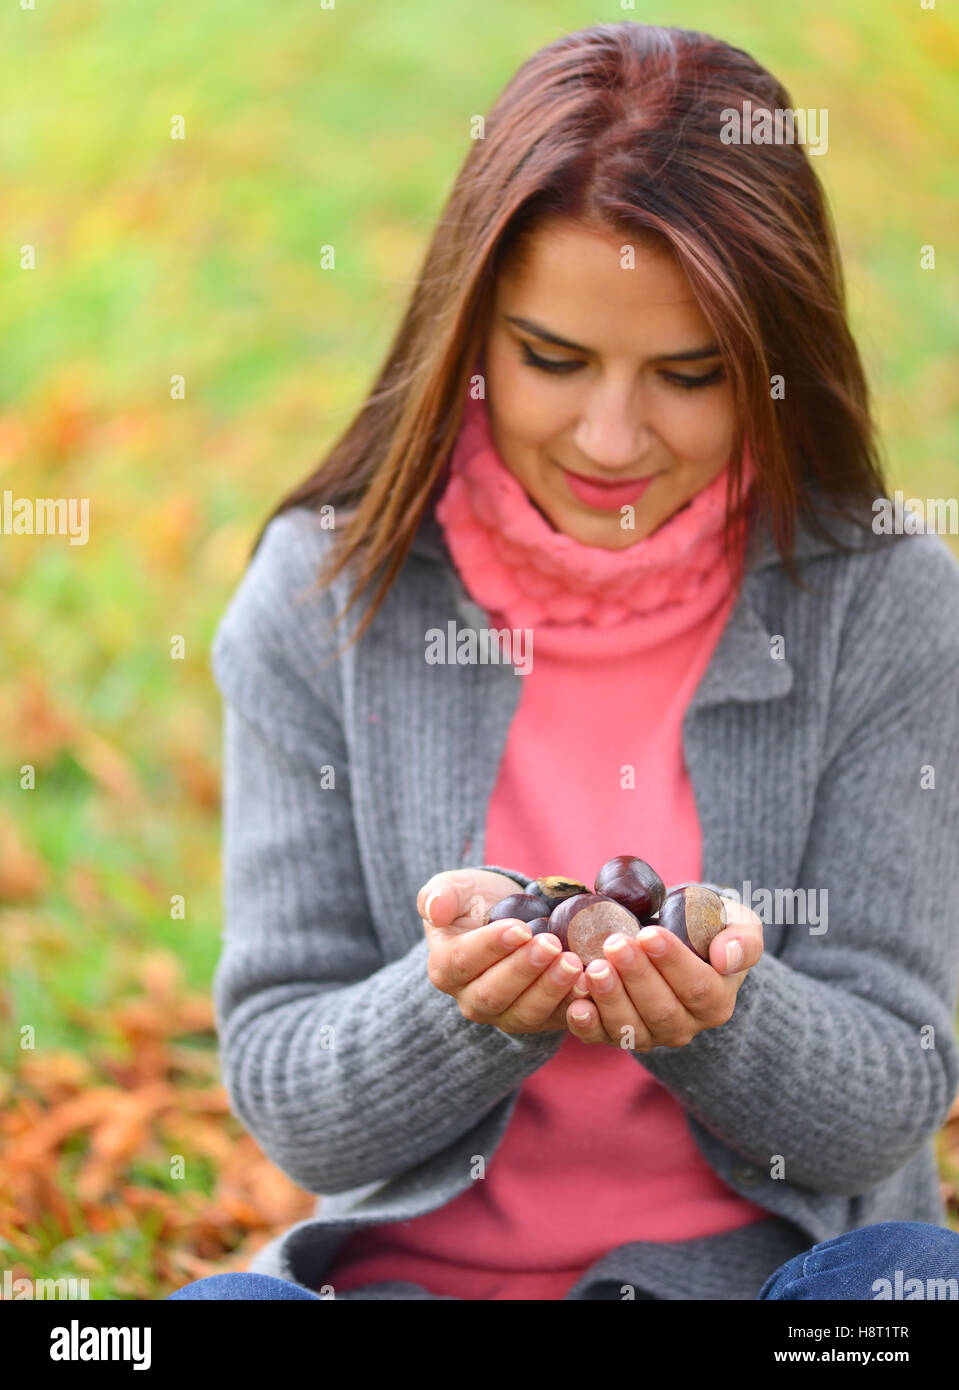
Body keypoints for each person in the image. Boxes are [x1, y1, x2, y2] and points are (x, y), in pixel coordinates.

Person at [168, 22, 959, 1301]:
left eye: (688, 375)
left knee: (914, 1291)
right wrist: (453, 1005)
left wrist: (720, 1017)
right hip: (403, 1288)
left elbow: (886, 1097)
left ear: (770, 366)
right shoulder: (320, 600)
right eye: (551, 359)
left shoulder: (884, 601)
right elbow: (291, 1100)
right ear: (467, 334)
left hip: (766, 1288)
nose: (609, 437)